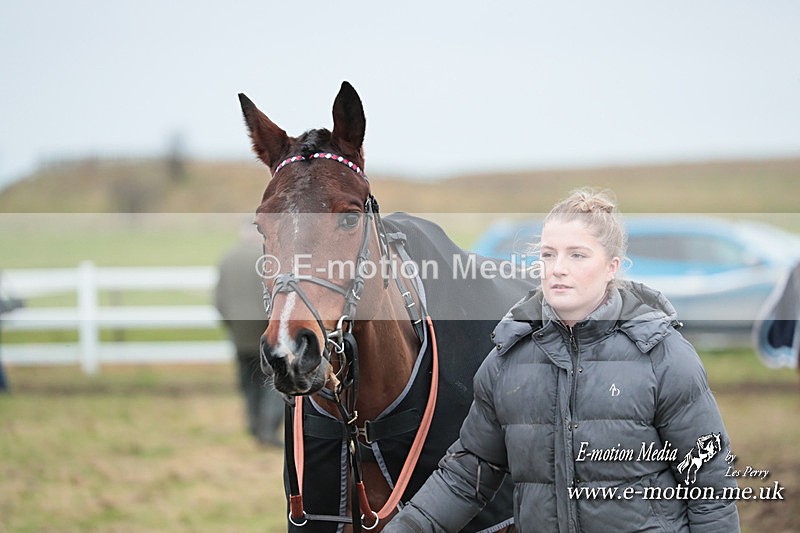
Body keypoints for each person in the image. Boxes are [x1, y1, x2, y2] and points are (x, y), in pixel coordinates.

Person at [385, 189, 740, 532]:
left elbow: (711, 486)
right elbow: (466, 476)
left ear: (611, 267)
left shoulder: (663, 357)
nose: (557, 268)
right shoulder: (505, 363)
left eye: (577, 255)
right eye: (548, 254)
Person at [215, 224, 284, 447]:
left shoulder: (227, 259)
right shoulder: (270, 261)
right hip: (266, 331)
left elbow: (219, 300)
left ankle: (254, 426)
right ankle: (268, 430)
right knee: (273, 381)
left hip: (239, 332)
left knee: (248, 381)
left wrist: (231, 325)